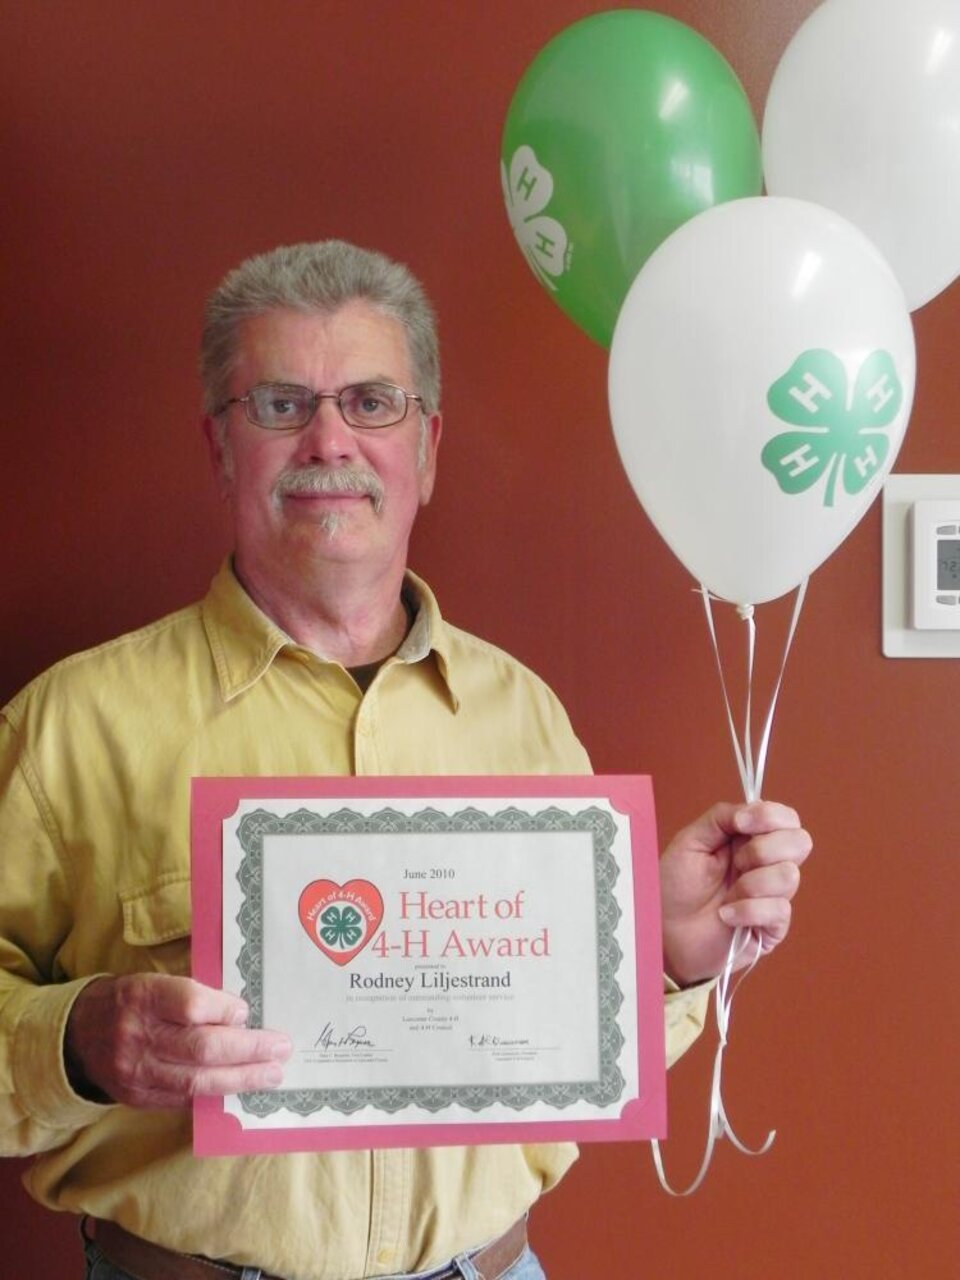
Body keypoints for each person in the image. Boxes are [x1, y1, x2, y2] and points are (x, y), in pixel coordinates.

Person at [0, 241, 811, 1280]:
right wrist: (78, 1040)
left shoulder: (525, 718)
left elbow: (565, 1057)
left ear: (425, 447)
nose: (329, 436)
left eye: (371, 401)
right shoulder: (69, 724)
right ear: (219, 446)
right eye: (281, 404)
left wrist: (663, 957)